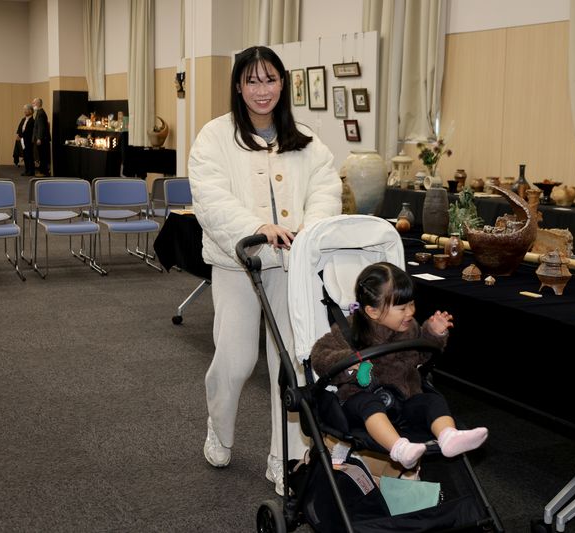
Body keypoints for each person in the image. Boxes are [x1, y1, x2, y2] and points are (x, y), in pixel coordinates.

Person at [188, 46, 342, 495]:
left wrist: (310, 229)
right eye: (252, 80)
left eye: (270, 79)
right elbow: (210, 197)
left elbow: (326, 190)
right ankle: (220, 430)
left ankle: (285, 458)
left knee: (292, 362)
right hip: (239, 262)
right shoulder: (214, 137)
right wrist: (256, 229)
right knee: (236, 360)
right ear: (238, 86)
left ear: (282, 83)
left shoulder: (307, 139)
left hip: (292, 265)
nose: (262, 89)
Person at [310, 262, 489, 469]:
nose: (410, 312)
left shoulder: (409, 328)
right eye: (402, 308)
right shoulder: (348, 330)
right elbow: (319, 356)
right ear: (373, 311)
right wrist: (349, 361)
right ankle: (399, 448)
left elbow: (421, 356)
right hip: (360, 406)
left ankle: (448, 436)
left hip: (404, 401)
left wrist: (433, 334)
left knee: (431, 400)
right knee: (367, 403)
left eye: (412, 304)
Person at [31, 97, 51, 176]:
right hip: (42, 138)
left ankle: (44, 172)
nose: (33, 104)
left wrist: (39, 138)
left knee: (43, 156)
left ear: (38, 103)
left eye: (34, 103)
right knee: (41, 155)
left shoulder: (41, 113)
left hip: (42, 139)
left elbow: (41, 127)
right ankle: (42, 171)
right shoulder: (39, 112)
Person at [16, 104, 35, 177]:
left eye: (26, 110)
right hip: (23, 140)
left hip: (29, 140)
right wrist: (18, 135)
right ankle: (26, 170)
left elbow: (30, 131)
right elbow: (19, 128)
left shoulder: (33, 121)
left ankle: (31, 171)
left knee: (29, 155)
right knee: (25, 155)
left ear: (30, 111)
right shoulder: (23, 119)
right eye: (24, 110)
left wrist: (22, 136)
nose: (24, 111)